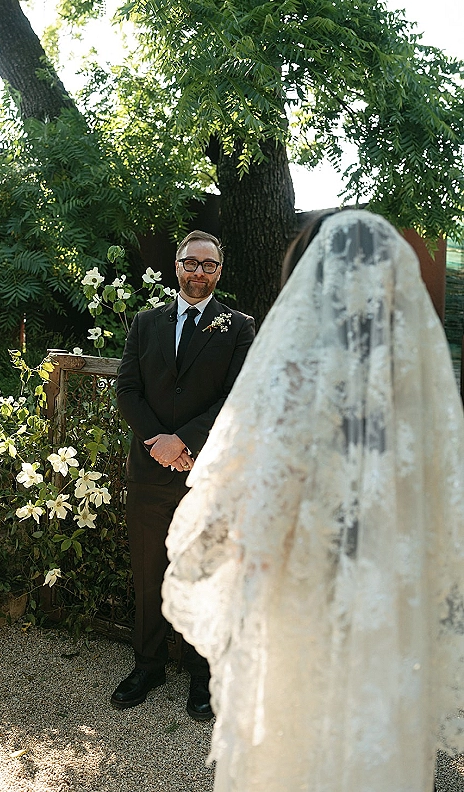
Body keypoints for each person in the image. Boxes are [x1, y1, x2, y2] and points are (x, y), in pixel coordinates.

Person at [162, 209, 464, 790]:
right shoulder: (417, 388)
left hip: (301, 621)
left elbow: (243, 527)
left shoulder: (293, 379)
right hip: (389, 624)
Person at [112, 229, 255, 720]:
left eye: (208, 265)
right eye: (191, 263)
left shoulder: (237, 326)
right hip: (151, 470)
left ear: (220, 270)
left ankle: (201, 677)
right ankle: (147, 665)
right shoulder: (146, 323)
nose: (199, 272)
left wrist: (187, 443)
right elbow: (127, 389)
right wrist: (160, 442)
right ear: (177, 266)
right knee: (150, 572)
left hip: (207, 475)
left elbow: (237, 396)